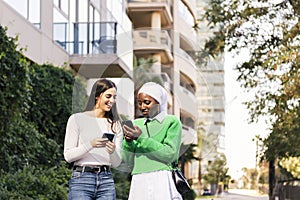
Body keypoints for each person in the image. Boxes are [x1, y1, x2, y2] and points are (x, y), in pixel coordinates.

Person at [64, 78, 123, 200]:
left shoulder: (115, 124)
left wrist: (112, 152)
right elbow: (68, 156)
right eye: (108, 96)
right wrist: (91, 144)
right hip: (81, 179)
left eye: (114, 97)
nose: (112, 100)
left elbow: (117, 163)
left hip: (106, 181)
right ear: (97, 96)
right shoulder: (76, 119)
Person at [122, 82, 183, 200]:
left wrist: (141, 138)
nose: (142, 107)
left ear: (159, 102)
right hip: (138, 179)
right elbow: (127, 160)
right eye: (139, 103)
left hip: (161, 178)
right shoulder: (135, 124)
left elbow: (170, 154)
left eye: (147, 102)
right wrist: (128, 142)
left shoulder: (171, 121)